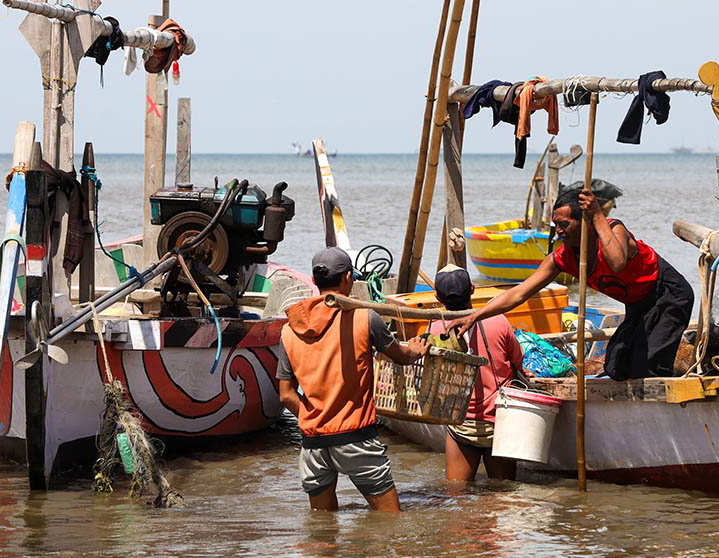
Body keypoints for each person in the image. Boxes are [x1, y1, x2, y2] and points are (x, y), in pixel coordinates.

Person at [448, 188, 694, 380]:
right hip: (639, 305)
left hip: (668, 294)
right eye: (557, 226)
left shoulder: (613, 230)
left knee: (649, 366)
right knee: (616, 366)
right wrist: (475, 316)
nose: (560, 232)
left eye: (565, 225)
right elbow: (518, 293)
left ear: (584, 221)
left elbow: (617, 262)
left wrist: (597, 214)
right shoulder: (562, 258)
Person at [277, 247, 429, 512]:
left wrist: (315, 417)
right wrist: (415, 350)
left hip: (313, 444)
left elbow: (286, 395)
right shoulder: (365, 318)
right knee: (390, 520)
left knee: (322, 528)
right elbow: (401, 356)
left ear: (314, 281)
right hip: (356, 439)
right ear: (348, 279)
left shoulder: (289, 331)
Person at [426, 265, 524, 482]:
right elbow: (518, 360)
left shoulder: (434, 330)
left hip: (461, 424)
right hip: (499, 423)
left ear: (438, 297)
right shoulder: (498, 320)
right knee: (504, 494)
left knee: (458, 498)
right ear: (472, 289)